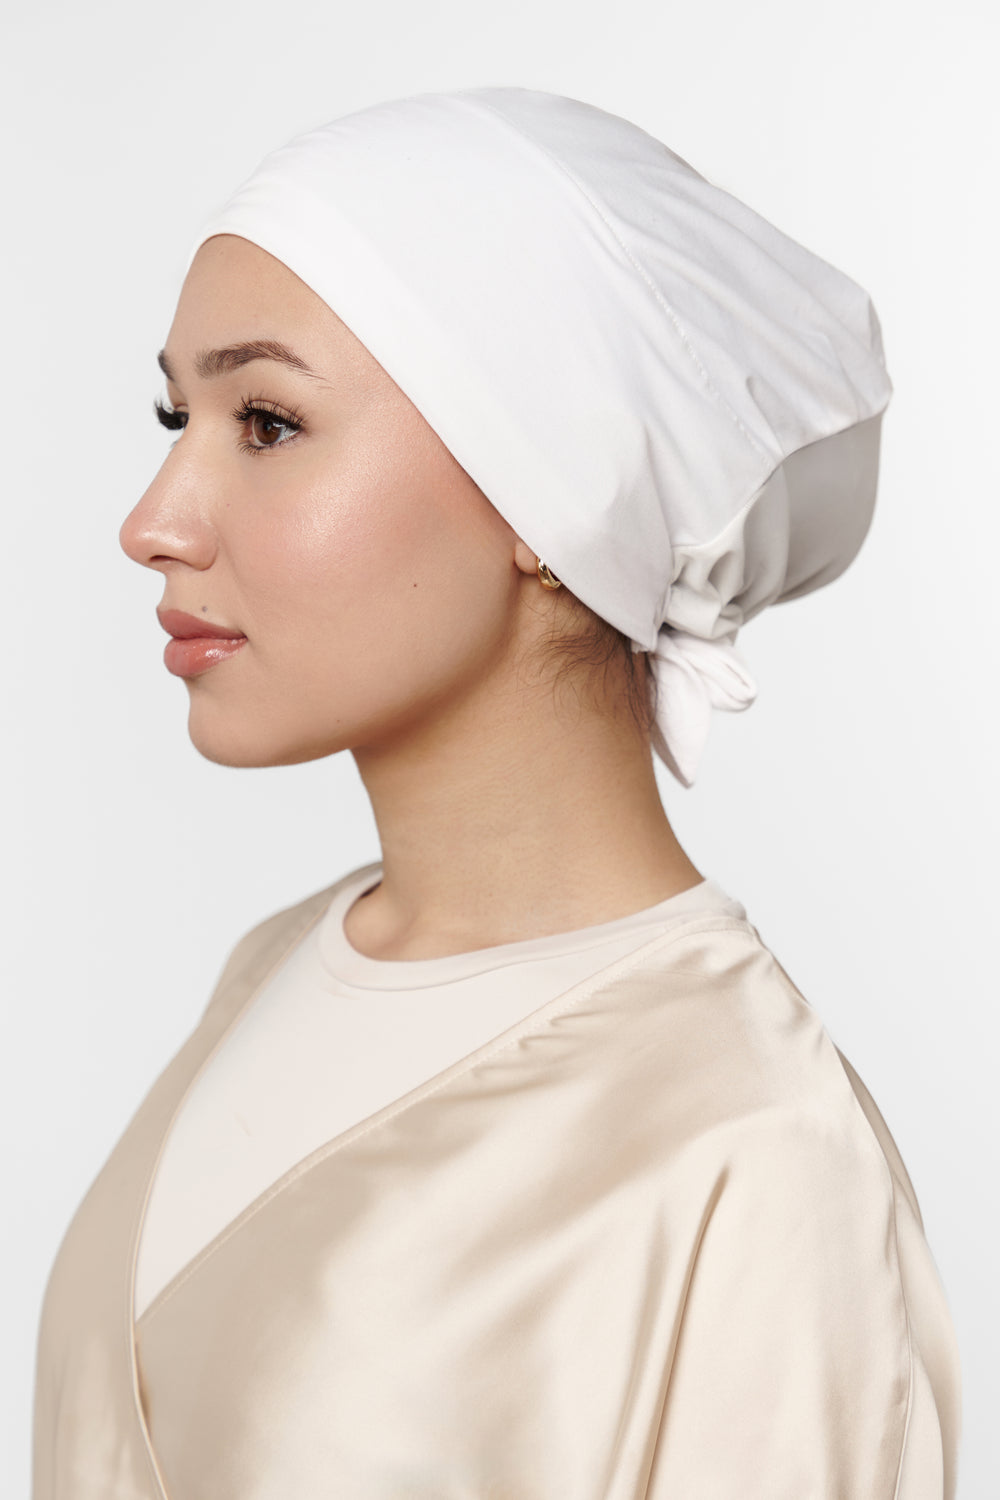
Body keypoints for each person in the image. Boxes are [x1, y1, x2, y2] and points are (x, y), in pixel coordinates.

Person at [31, 87, 961, 1499]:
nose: (152, 521)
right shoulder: (275, 968)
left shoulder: (754, 1151)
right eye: (176, 414)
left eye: (265, 422)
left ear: (554, 485)